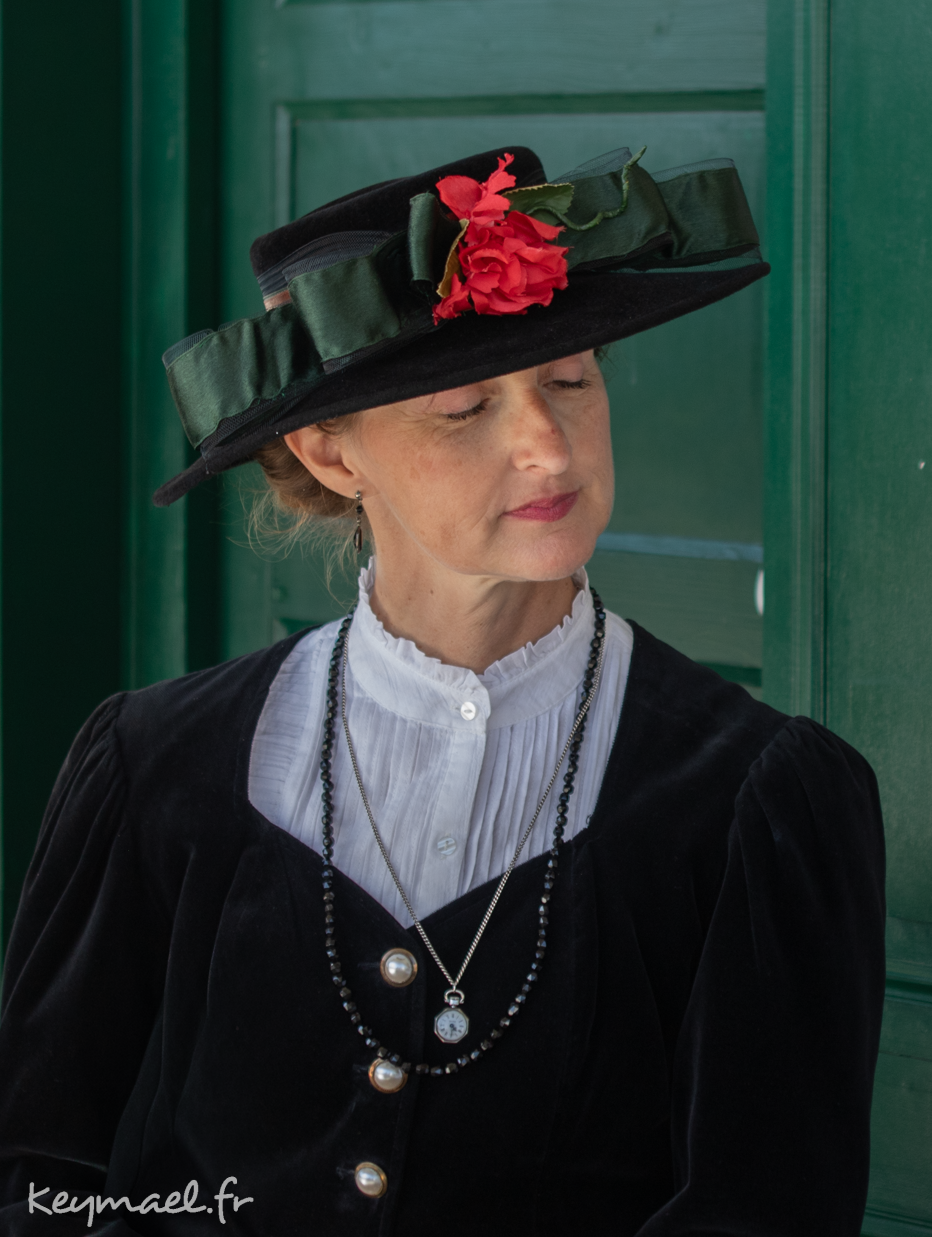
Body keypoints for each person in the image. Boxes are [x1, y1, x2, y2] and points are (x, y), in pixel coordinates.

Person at [0, 145, 887, 1234]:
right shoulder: (153, 764)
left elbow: (766, 1211)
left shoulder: (760, 799)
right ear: (330, 453)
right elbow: (37, 1175)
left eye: (570, 380)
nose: (548, 447)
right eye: (466, 407)